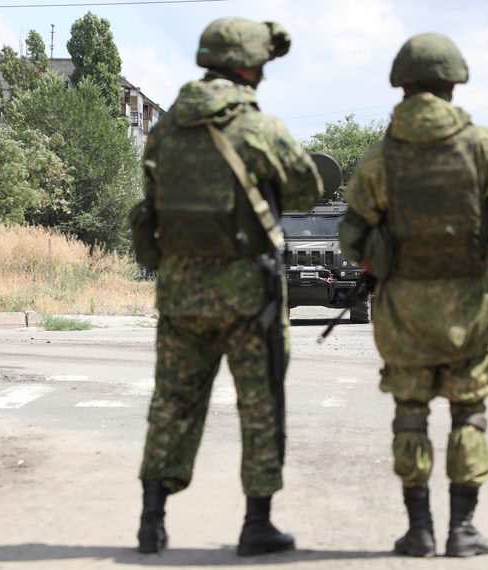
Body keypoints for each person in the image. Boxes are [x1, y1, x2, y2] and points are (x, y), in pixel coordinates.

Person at [339, 33, 488, 558]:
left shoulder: (380, 159)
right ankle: (463, 529)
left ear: (401, 85)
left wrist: (386, 253)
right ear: (453, 81)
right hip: (470, 309)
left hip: (402, 311)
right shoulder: (487, 147)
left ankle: (419, 529)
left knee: (410, 413)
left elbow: (352, 236)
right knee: (468, 411)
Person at [136, 17, 322, 556]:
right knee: (259, 405)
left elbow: (152, 198)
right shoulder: (257, 126)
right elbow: (308, 191)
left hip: (179, 291)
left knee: (172, 402)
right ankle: (256, 524)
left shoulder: (165, 128)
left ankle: (152, 519)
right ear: (247, 64)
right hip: (247, 295)